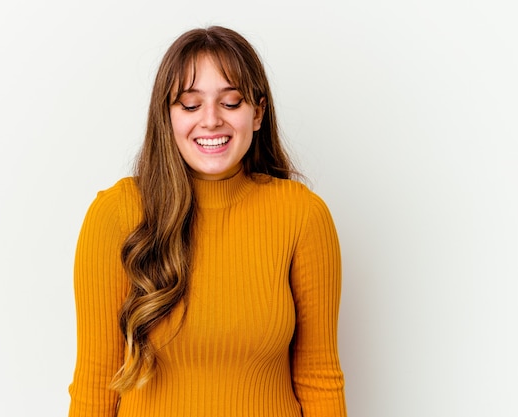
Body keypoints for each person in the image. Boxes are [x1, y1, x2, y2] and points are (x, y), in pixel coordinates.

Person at [68, 25, 347, 417]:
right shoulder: (116, 214)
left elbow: (319, 378)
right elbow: (95, 386)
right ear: (167, 115)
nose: (211, 120)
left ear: (258, 113)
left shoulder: (302, 215)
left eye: (231, 103)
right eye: (190, 104)